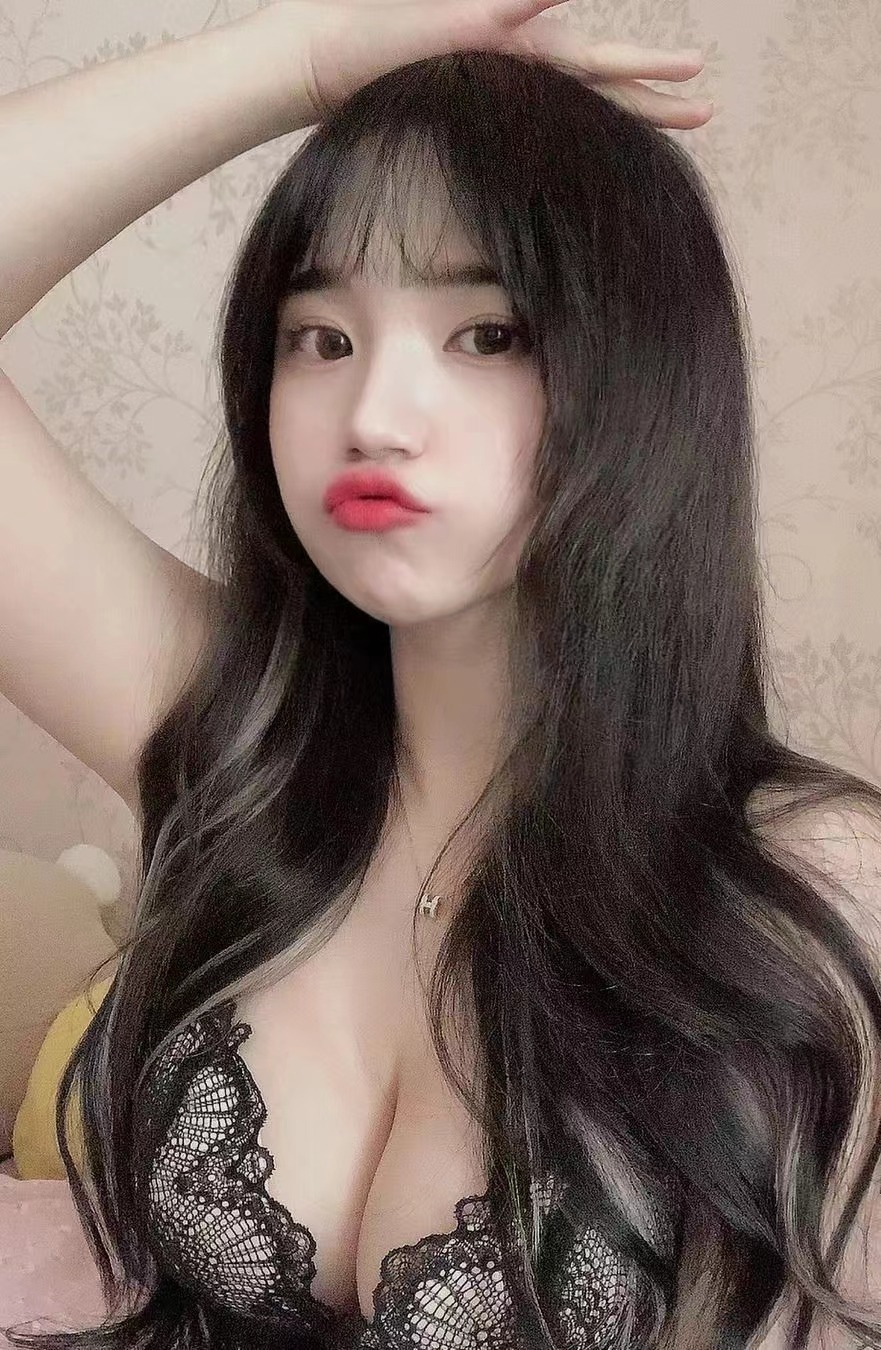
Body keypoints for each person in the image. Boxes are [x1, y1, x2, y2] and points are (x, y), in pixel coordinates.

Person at [0, 2, 880, 1347]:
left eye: (487, 335)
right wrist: (303, 60)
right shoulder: (236, 744)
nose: (374, 416)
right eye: (321, 337)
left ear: (642, 377)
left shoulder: (805, 887)